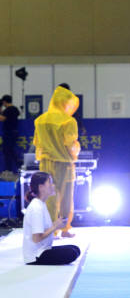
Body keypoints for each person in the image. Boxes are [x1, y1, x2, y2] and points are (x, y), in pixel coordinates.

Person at [33, 85, 80, 238]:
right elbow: (70, 144)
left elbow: (37, 143)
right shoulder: (69, 121)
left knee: (48, 197)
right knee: (66, 197)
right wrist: (76, 150)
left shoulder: (40, 120)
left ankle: (50, 230)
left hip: (45, 163)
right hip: (64, 165)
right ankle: (65, 228)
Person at [22, 171, 80, 265]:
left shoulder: (41, 204)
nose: (53, 185)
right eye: (50, 182)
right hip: (36, 256)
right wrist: (55, 226)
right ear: (41, 187)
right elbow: (36, 238)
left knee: (75, 249)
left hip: (43, 250)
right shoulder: (36, 207)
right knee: (72, 253)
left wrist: (56, 225)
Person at [0, 95, 20, 173]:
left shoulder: (8, 110)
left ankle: (9, 169)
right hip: (14, 132)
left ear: (4, 102)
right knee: (10, 150)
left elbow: (2, 118)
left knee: (7, 151)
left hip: (9, 133)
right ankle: (18, 164)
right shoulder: (15, 109)